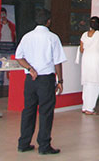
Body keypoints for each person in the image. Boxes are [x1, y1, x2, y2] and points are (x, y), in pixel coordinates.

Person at [15, 8, 66, 155]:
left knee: (28, 111)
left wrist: (30, 68)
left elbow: (19, 57)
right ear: (48, 21)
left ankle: (24, 143)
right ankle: (44, 145)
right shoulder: (53, 38)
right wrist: (60, 80)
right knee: (46, 112)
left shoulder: (27, 37)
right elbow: (57, 62)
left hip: (30, 80)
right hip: (46, 80)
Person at [0, 7, 16, 86]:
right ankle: (0, 83)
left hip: (10, 47)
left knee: (10, 65)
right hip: (1, 48)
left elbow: (14, 35)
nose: (2, 16)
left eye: (3, 14)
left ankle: (10, 83)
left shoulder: (11, 25)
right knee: (1, 66)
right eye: (1, 14)